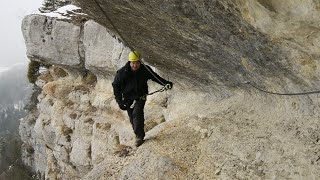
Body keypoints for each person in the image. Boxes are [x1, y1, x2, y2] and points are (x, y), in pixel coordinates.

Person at [112, 51, 173, 147]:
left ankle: (139, 137)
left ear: (140, 62)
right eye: (133, 63)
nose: (135, 65)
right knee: (132, 117)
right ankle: (138, 133)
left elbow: (155, 77)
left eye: (137, 63)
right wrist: (119, 101)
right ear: (129, 62)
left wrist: (165, 83)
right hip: (128, 98)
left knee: (137, 113)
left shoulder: (145, 70)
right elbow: (116, 86)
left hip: (141, 96)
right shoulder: (122, 72)